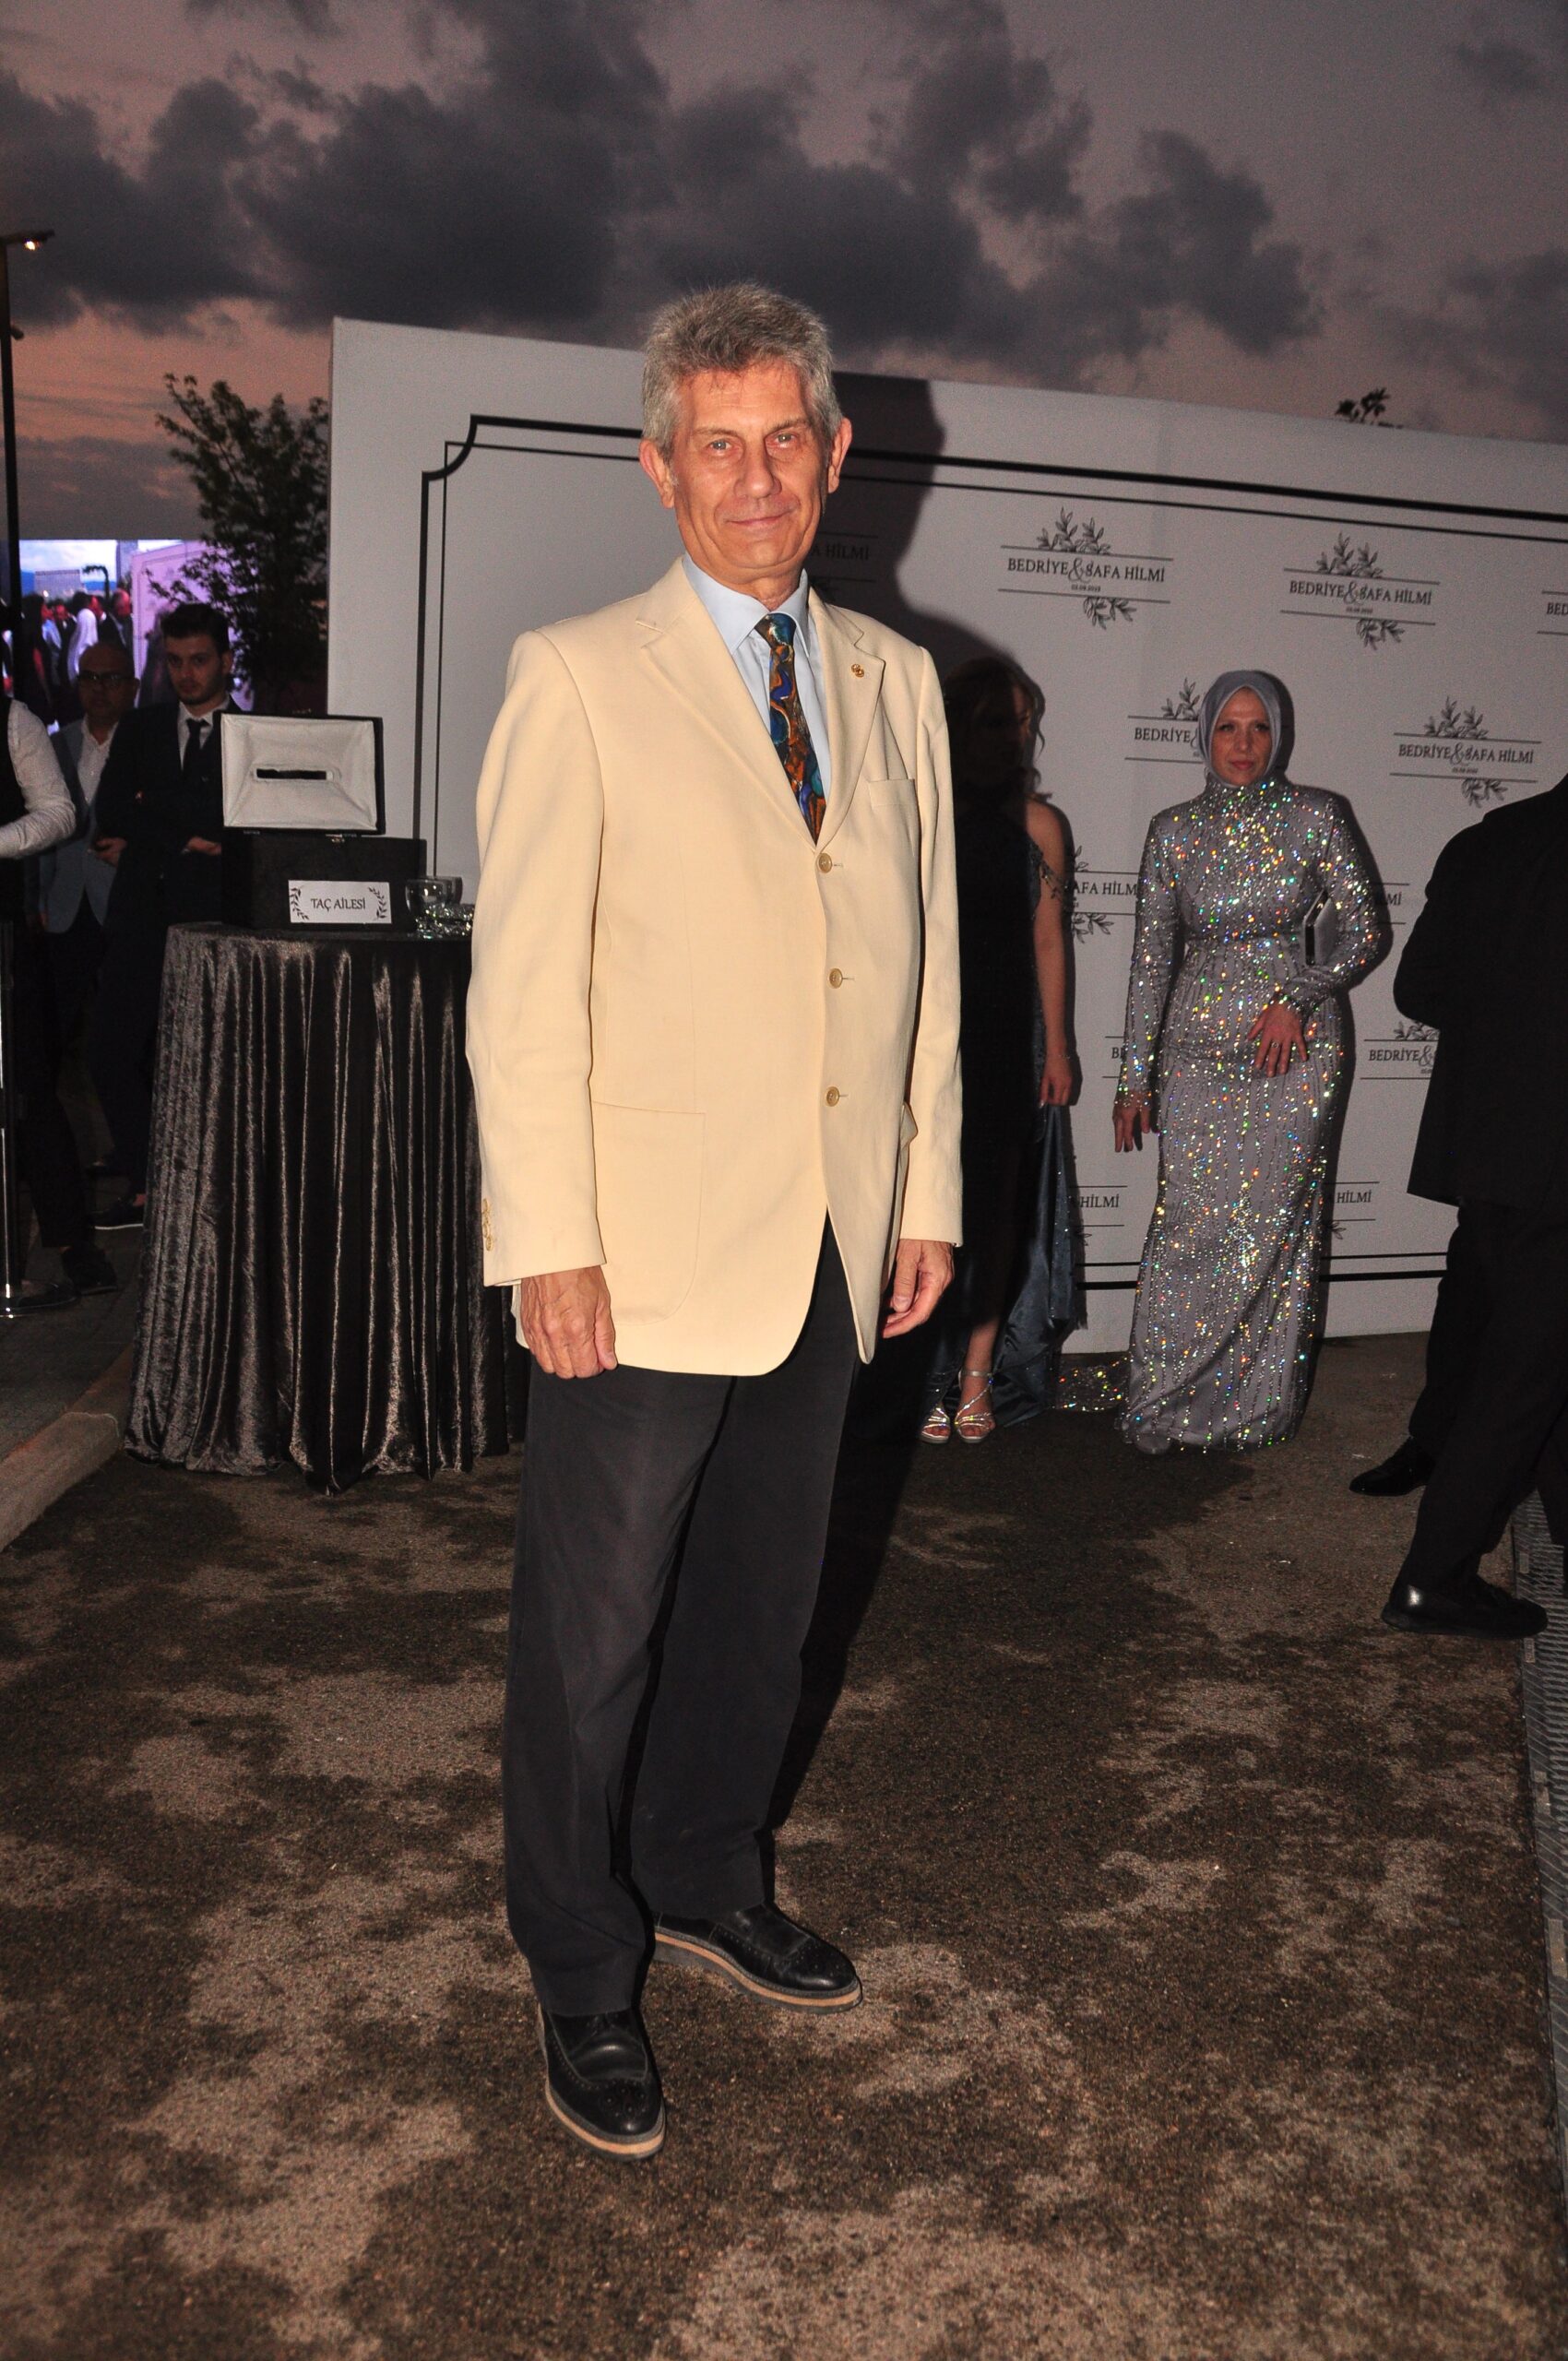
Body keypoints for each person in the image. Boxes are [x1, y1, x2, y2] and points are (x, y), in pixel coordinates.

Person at [467, 282, 961, 2162]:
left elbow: (925, 971)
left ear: (834, 456)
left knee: (763, 1610)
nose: (755, 477)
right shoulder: (578, 673)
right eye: (716, 445)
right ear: (659, 468)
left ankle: (700, 1870)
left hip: (833, 1241)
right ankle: (580, 1959)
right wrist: (548, 1240)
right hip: (643, 1252)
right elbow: (522, 993)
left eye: (784, 440)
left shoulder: (899, 683)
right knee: (591, 1635)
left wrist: (922, 1188)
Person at [1113, 670, 1386, 1453]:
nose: (1243, 744)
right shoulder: (1173, 831)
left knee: (1273, 1230)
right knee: (1188, 1227)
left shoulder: (1315, 816)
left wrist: (1299, 995)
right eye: (1228, 728)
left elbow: (1366, 929)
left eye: (1258, 727)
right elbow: (1151, 962)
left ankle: (1253, 1407)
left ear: (1278, 735)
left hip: (1294, 1051)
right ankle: (1163, 1400)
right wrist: (1134, 1079)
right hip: (1197, 1049)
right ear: (1205, 735)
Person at [1376, 773, 1568, 1639]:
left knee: (1535, 1359)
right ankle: (1433, 1579)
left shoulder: (1487, 841)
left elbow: (1418, 992)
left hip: (1484, 1146)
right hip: (1556, 1161)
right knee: (1522, 1380)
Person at [919, 655, 1073, 1444]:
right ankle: (921, 1373)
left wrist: (1060, 1046)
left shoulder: (1040, 824)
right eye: (992, 722)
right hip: (930, 1032)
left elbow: (1048, 941)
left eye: (1021, 723)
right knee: (923, 1204)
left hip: (1010, 1033)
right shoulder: (920, 808)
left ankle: (977, 1373)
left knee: (999, 1206)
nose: (1010, 737)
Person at [89, 602, 233, 1228]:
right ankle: (148, 1184)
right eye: (174, 661)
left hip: (217, 925)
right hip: (141, 919)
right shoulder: (142, 727)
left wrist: (154, 818)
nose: (186, 674)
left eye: (198, 660)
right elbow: (112, 812)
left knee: (208, 1064)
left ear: (225, 660)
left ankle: (207, 1191)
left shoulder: (250, 734)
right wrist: (186, 834)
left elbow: (243, 825)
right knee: (109, 1052)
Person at [1, 682, 115, 1298]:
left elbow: (58, 812)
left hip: (0, 934)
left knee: (28, 1085)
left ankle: (72, 1241)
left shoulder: (12, 719)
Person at [35, 638, 137, 1052]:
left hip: (122, 902)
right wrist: (39, 895)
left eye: (111, 679)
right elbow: (42, 825)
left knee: (123, 1028)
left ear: (131, 686)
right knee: (55, 1021)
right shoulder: (56, 746)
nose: (99, 688)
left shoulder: (146, 746)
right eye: (90, 678)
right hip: (64, 902)